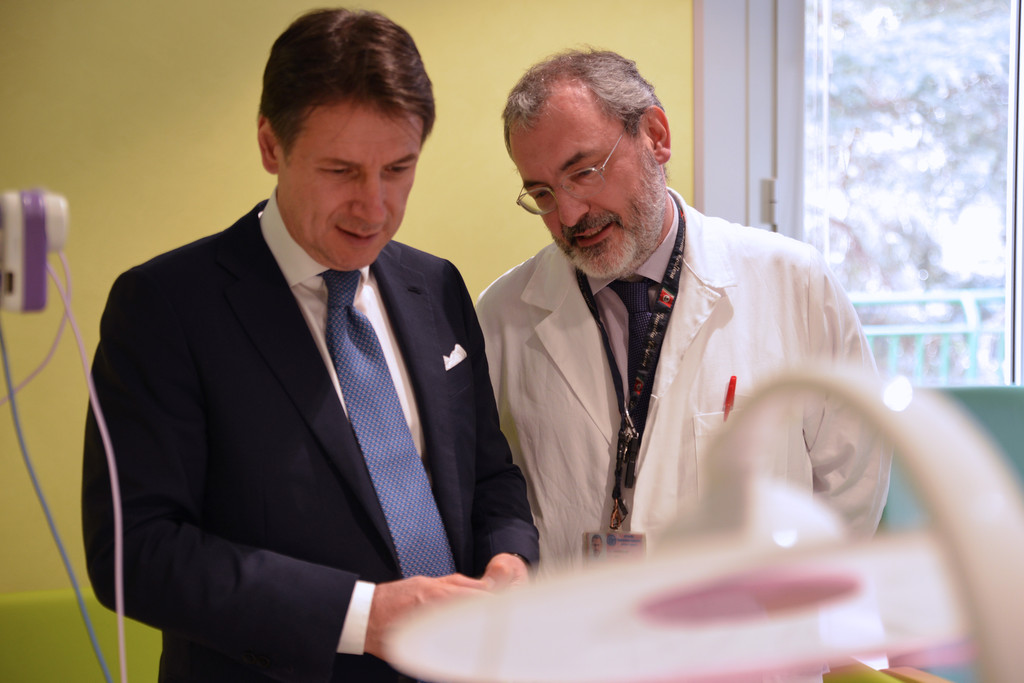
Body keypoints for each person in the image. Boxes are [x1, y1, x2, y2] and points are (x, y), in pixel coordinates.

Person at [81, 9, 538, 682]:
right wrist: (364, 616)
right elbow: (137, 553)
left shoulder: (436, 285)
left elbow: (488, 475)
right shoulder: (166, 307)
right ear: (271, 145)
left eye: (399, 168)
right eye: (341, 170)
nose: (374, 206)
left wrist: (509, 559)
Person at [477, 49, 890, 578]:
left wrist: (787, 606)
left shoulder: (794, 282)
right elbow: (492, 494)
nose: (570, 214)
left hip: (749, 621)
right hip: (578, 624)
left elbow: (853, 480)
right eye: (542, 193)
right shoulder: (502, 315)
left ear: (655, 135)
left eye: (583, 172)